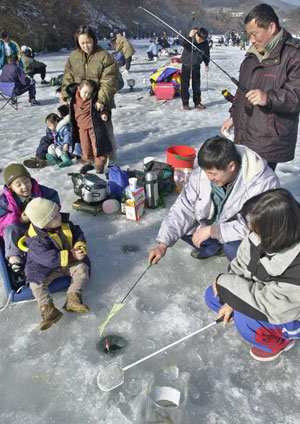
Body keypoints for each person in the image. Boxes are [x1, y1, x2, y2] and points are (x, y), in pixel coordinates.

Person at [148, 136, 279, 265]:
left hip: (241, 235)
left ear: (231, 166)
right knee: (182, 228)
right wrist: (163, 244)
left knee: (232, 247)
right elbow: (182, 208)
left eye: (213, 174)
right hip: (213, 226)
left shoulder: (263, 183)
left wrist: (214, 231)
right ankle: (214, 249)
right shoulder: (204, 171)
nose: (209, 178)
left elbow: (258, 226)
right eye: (206, 172)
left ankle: (246, 270)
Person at [205, 188, 300, 361]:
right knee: (214, 295)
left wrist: (234, 297)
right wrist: (230, 298)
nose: (251, 231)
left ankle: (280, 343)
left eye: (256, 230)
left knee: (245, 320)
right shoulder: (263, 234)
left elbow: (272, 306)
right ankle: (257, 324)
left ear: (276, 234)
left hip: (288, 312)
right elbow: (241, 263)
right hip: (263, 291)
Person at [221, 4, 300, 171]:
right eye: (249, 35)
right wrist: (234, 117)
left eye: (254, 34)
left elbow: (295, 96)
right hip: (245, 135)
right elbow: (241, 93)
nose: (251, 40)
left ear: (271, 27)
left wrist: (268, 98)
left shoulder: (294, 54)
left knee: (257, 188)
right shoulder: (251, 56)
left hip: (269, 140)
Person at [24, 198, 90, 331]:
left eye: (57, 212)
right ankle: (47, 309)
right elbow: (48, 259)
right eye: (54, 216)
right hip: (43, 268)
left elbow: (77, 233)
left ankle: (73, 298)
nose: (59, 216)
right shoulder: (36, 241)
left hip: (67, 262)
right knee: (35, 284)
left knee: (82, 269)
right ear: (44, 224)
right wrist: (71, 255)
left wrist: (79, 246)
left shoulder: (64, 223)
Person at [61, 24, 118, 167]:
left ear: (94, 40)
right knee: (83, 132)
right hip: (80, 102)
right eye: (82, 43)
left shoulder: (104, 57)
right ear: (77, 42)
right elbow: (68, 77)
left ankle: (111, 158)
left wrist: (101, 100)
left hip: (99, 101)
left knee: (104, 131)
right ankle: (89, 158)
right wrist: (66, 95)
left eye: (88, 42)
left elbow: (109, 80)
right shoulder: (74, 57)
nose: (85, 46)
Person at [0, 164, 60, 282]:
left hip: (41, 226)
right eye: (18, 184)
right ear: (10, 187)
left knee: (58, 224)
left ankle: (55, 254)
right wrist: (20, 219)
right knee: (10, 230)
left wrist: (44, 213)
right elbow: (1, 220)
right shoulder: (4, 201)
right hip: (20, 228)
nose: (25, 186)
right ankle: (15, 261)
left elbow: (54, 202)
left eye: (26, 181)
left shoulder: (41, 191)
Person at [67, 78, 113, 174]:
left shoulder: (93, 100)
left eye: (89, 93)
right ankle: (87, 163)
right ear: (79, 89)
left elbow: (105, 107)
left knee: (97, 147)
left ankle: (100, 164)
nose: (87, 95)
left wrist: (104, 114)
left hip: (94, 129)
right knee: (85, 147)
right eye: (85, 92)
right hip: (81, 129)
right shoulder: (73, 99)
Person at [180, 27, 210, 110]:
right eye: (199, 38)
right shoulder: (190, 40)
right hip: (186, 65)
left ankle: (197, 102)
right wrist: (189, 37)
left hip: (196, 65)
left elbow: (206, 53)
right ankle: (185, 103)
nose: (200, 41)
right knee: (185, 85)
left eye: (203, 39)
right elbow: (182, 42)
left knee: (196, 85)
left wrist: (207, 63)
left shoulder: (205, 43)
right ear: (196, 34)